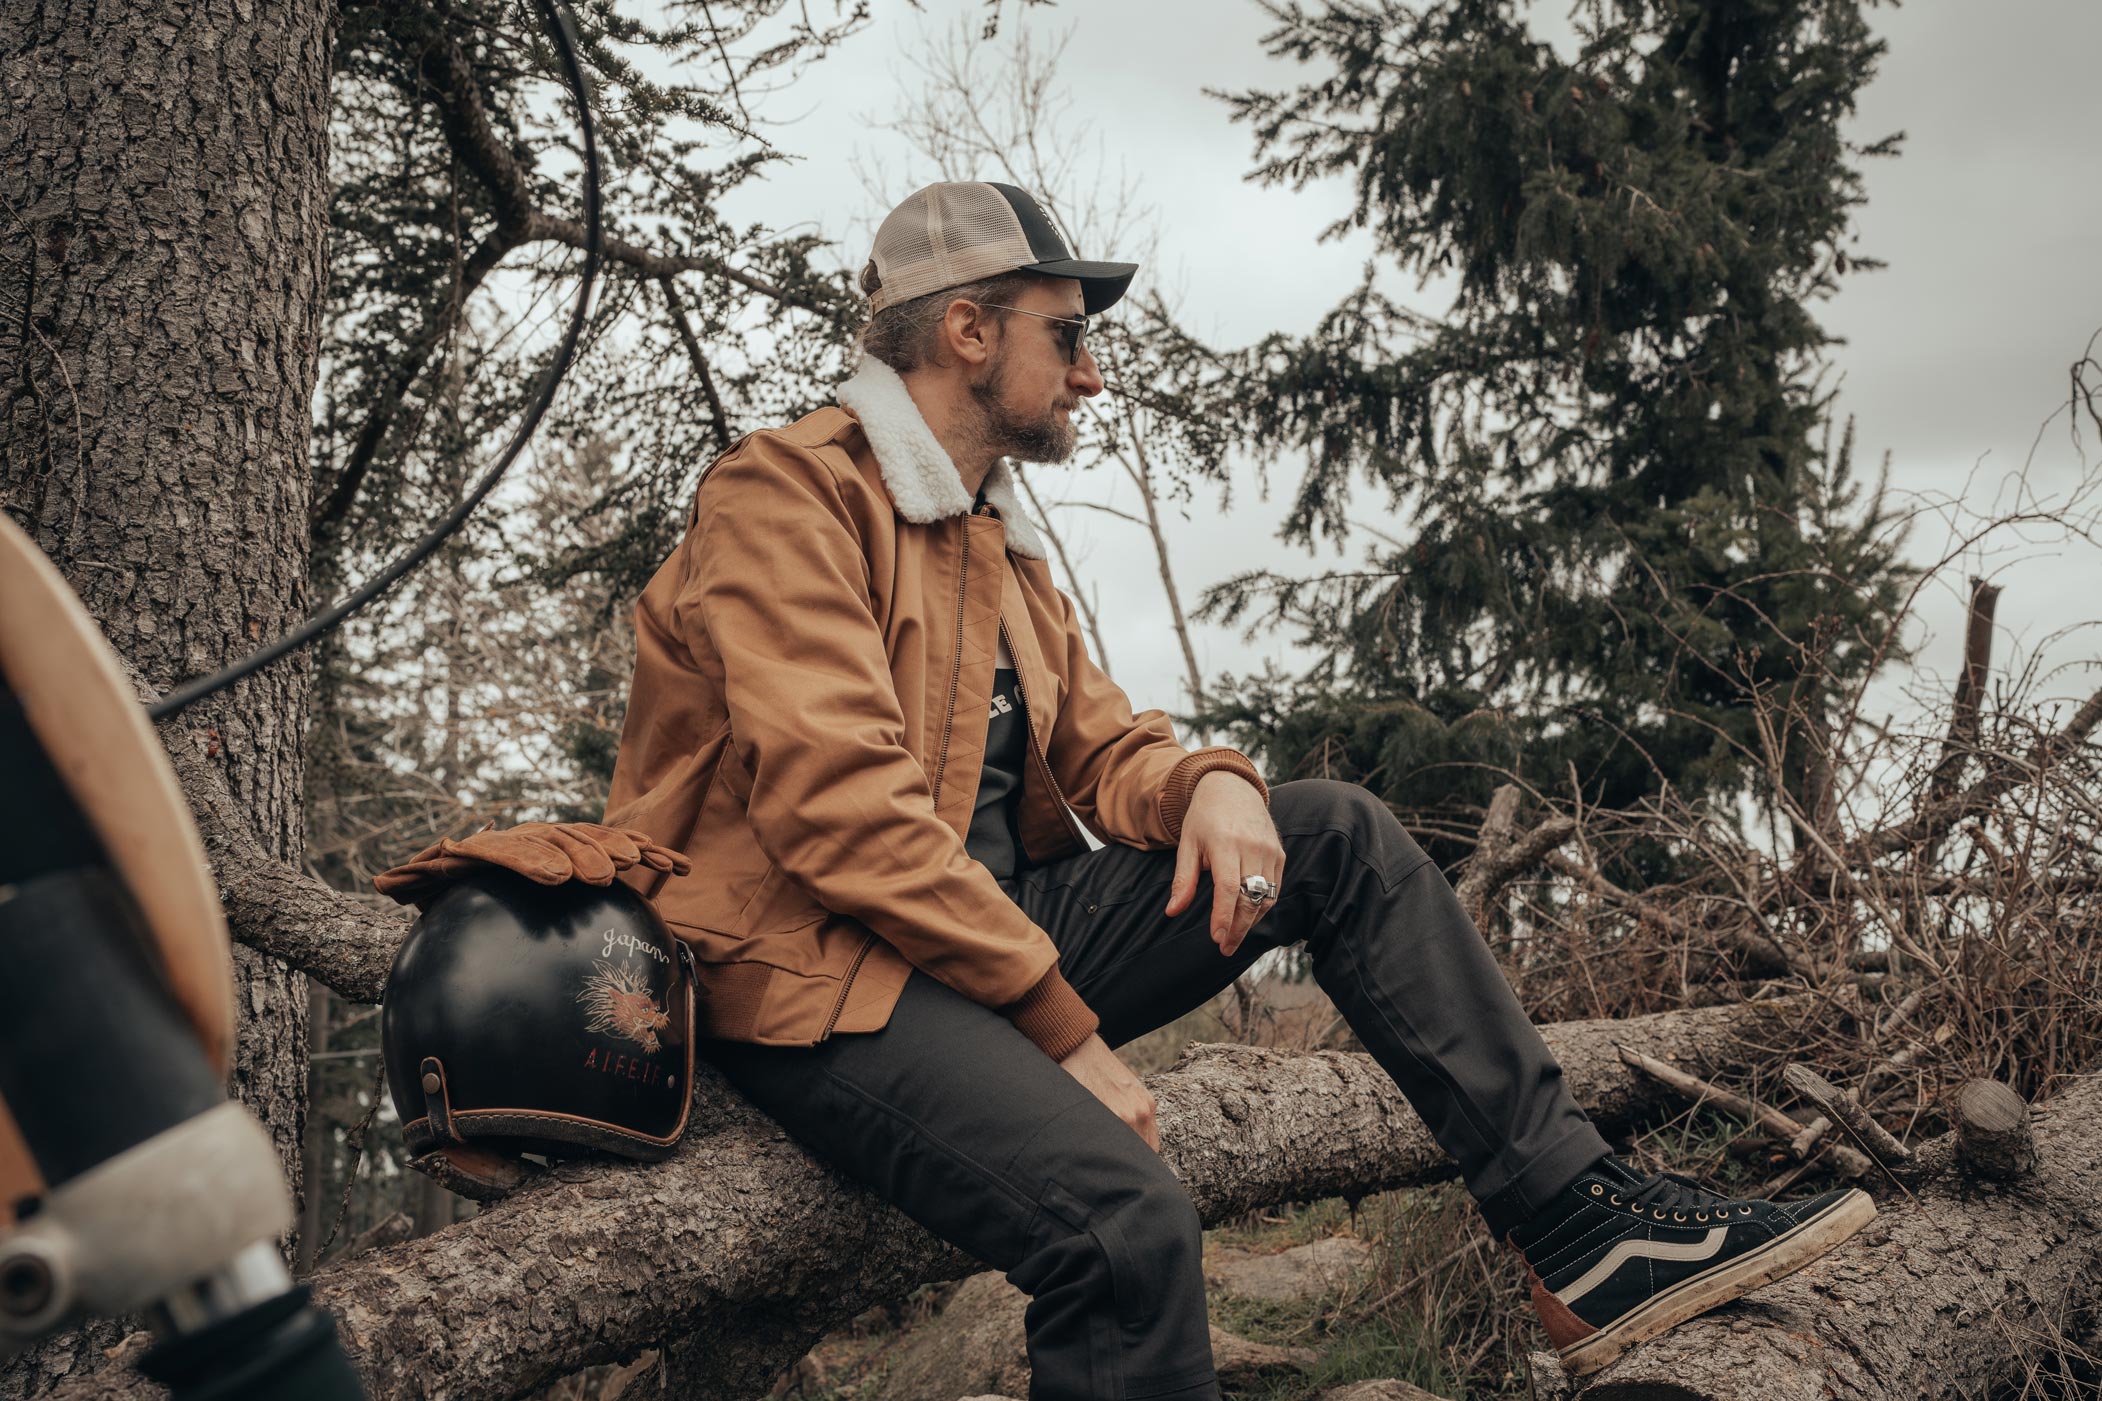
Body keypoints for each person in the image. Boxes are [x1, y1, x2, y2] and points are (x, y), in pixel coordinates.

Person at [604, 181, 1873, 1395]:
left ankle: (1582, 1230)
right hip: (817, 974)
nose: (1091, 372)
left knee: (1334, 836)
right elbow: (842, 812)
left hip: (974, 944)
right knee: (1121, 1223)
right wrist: (1063, 1036)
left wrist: (1209, 785)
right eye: (1067, 335)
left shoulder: (990, 539)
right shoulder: (785, 493)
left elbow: (1105, 748)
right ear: (968, 330)